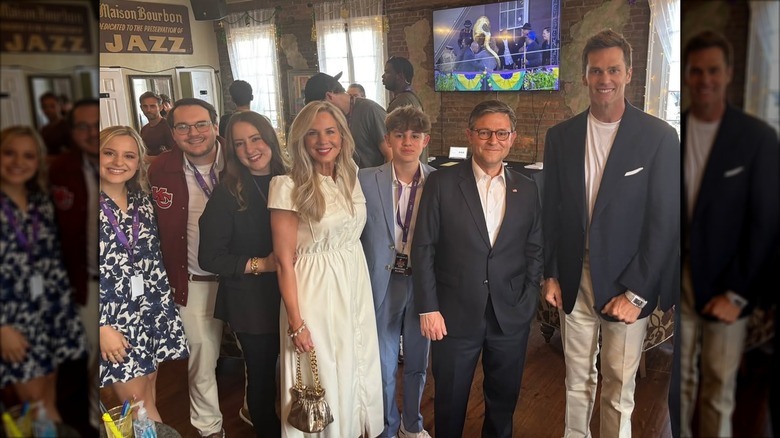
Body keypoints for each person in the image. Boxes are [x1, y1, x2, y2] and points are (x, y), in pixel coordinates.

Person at [541, 29, 679, 438]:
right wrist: (550, 273)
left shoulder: (659, 137)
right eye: (596, 70)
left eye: (613, 69)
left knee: (620, 388)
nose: (605, 78)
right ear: (584, 76)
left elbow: (665, 221)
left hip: (627, 281)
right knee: (575, 380)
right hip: (573, 279)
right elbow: (552, 211)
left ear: (629, 73)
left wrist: (637, 293)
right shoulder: (560, 137)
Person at [412, 99, 543, 438]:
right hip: (453, 314)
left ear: (513, 138)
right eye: (485, 132)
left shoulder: (527, 188)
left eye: (501, 133)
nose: (493, 140)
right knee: (450, 402)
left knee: (503, 401)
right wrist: (428, 306)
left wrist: (528, 301)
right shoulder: (441, 183)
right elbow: (424, 247)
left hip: (509, 314)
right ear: (470, 135)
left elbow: (534, 248)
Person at [679, 30, 779, 438]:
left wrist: (739, 293)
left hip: (727, 284)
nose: (705, 79)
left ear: (729, 73)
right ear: (686, 75)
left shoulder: (758, 138)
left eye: (714, 70)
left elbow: (767, 222)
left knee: (719, 387)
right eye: (697, 70)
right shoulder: (674, 134)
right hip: (678, 279)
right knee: (680, 385)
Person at [268, 100, 383, 437]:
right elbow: (284, 260)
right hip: (313, 290)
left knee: (355, 358)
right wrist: (296, 323)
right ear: (301, 140)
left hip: (352, 280)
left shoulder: (351, 175)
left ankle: (355, 428)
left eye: (330, 131)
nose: (323, 140)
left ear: (342, 136)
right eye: (312, 133)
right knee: (324, 369)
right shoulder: (286, 186)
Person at [198, 111, 287, 437]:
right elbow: (209, 257)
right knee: (262, 377)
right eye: (239, 143)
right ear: (232, 150)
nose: (250, 149)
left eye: (255, 138)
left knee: (293, 372)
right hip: (251, 302)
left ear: (270, 139)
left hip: (293, 294)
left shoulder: (292, 178)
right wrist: (260, 264)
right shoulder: (227, 192)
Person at [148, 98, 227, 438]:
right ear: (172, 132)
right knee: (201, 362)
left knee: (260, 354)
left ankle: (255, 410)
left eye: (201, 124)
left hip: (247, 279)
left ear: (215, 126)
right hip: (193, 281)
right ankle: (210, 429)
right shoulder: (159, 169)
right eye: (183, 126)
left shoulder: (241, 159)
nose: (193, 133)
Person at [98, 125, 189, 422]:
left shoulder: (144, 202)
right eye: (108, 153)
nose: (118, 162)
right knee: (138, 406)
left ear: (139, 162)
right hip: (112, 320)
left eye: (129, 155)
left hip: (151, 310)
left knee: (147, 394)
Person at [1, 126, 87, 424]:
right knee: (35, 406)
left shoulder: (41, 202)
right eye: (9, 153)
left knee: (48, 398)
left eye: (28, 155)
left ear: (39, 161)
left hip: (52, 310)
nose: (17, 162)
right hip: (13, 319)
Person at [359, 106, 434, 438]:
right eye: (400, 135)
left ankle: (411, 424)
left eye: (414, 136)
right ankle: (387, 427)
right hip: (381, 282)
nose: (407, 142)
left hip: (423, 284)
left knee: (418, 362)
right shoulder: (364, 178)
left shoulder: (440, 181)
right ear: (387, 139)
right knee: (384, 363)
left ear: (425, 141)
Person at [49, 98, 102, 432]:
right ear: (72, 132)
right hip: (81, 284)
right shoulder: (56, 170)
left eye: (97, 124)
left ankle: (97, 420)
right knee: (76, 362)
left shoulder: (126, 167)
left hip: (121, 285)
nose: (92, 132)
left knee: (108, 363)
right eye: (83, 126)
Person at [304, 72, 388, 168]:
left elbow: (391, 155)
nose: (320, 113)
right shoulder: (335, 116)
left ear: (329, 96)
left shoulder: (370, 110)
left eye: (319, 107)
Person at [138, 91, 174, 156]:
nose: (148, 110)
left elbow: (175, 154)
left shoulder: (168, 127)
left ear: (160, 107)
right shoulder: (144, 129)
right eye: (145, 106)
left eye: (152, 106)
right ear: (141, 108)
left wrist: (149, 159)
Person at [38, 92, 70, 156]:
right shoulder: (44, 130)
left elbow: (72, 154)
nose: (48, 110)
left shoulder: (68, 126)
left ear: (59, 106)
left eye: (52, 106)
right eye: (44, 107)